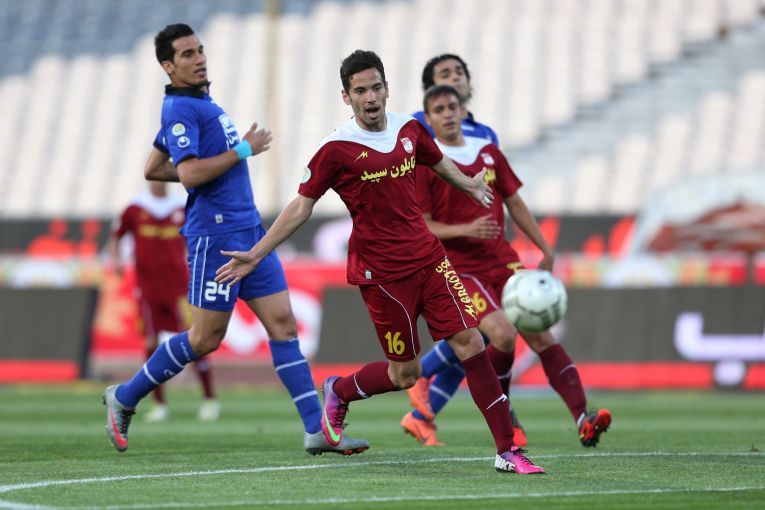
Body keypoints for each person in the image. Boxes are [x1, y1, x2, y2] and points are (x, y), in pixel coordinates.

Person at [215, 50, 545, 474]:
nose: (370, 97)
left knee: (472, 343)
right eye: (360, 91)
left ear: (387, 88)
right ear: (346, 97)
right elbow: (300, 207)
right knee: (405, 374)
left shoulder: (410, 129)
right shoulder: (335, 149)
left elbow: (437, 161)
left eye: (375, 87)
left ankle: (506, 450)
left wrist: (468, 184)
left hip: (431, 260)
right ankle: (340, 390)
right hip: (383, 275)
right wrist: (257, 253)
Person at [102, 23, 368, 457]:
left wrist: (214, 164)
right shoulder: (181, 109)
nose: (199, 58)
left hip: (249, 232)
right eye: (187, 54)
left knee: (283, 325)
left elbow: (154, 167)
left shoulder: (198, 103)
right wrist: (242, 151)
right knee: (205, 339)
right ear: (168, 66)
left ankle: (316, 429)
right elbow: (189, 173)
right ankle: (125, 396)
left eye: (200, 50)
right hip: (216, 236)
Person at [401, 84, 612, 449]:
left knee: (541, 334)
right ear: (429, 119)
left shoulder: (488, 152)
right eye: (439, 109)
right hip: (458, 269)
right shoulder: (427, 164)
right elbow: (421, 224)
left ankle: (583, 417)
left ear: (464, 110)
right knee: (502, 335)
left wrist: (544, 247)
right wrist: (465, 229)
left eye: (452, 106)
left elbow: (514, 202)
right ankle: (502, 416)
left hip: (502, 261)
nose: (448, 114)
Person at [408, 53, 528, 445]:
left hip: (488, 255)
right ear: (429, 93)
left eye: (459, 72)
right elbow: (419, 205)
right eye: (444, 75)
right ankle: (424, 378)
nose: (454, 79)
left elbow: (498, 190)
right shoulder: (418, 134)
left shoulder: (485, 134)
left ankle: (420, 416)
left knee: (479, 340)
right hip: (445, 255)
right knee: (481, 335)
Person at [109, 180, 219, 422]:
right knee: (151, 343)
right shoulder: (135, 208)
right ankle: (159, 404)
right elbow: (117, 236)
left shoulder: (180, 206)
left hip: (180, 288)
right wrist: (116, 260)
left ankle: (209, 399)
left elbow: (203, 232)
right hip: (147, 290)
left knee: (197, 340)